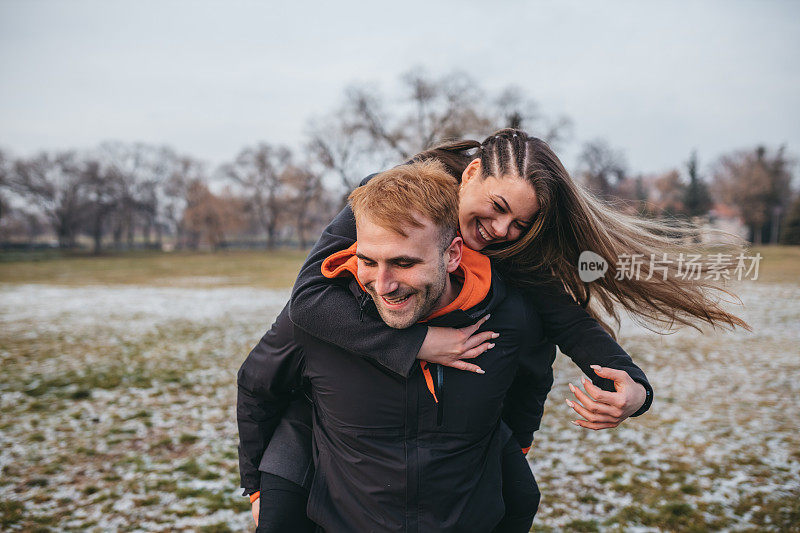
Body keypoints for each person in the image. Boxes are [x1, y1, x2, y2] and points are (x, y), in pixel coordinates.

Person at [239, 128, 746, 529]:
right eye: (499, 208)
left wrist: (632, 383)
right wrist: (416, 342)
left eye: (520, 225)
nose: (503, 232)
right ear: (474, 172)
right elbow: (307, 298)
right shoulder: (393, 203)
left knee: (519, 494)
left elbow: (565, 318)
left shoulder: (502, 257)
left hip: (461, 448)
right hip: (342, 431)